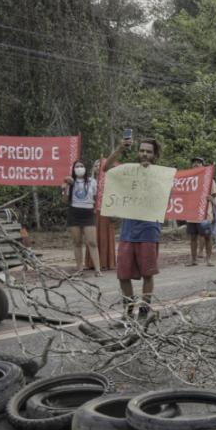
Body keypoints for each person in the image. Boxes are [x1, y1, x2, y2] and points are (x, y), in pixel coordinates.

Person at [103, 136, 163, 319]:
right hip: (128, 231)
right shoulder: (128, 171)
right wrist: (119, 150)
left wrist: (149, 174)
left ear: (155, 155)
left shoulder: (161, 174)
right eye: (142, 150)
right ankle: (129, 310)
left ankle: (144, 310)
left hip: (149, 230)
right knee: (123, 274)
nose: (144, 154)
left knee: (147, 273)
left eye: (148, 152)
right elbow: (106, 169)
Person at [62, 160, 102, 278]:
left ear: (85, 168)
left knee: (92, 242)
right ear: (74, 169)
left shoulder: (91, 181)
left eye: (82, 166)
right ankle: (80, 268)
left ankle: (98, 269)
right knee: (77, 242)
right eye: (77, 166)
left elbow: (95, 197)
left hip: (88, 212)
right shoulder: (71, 183)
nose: (79, 168)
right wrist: (65, 189)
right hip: (74, 212)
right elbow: (65, 201)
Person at [85, 159, 116, 271]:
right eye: (96, 166)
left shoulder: (110, 180)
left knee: (105, 234)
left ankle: (106, 262)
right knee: (93, 236)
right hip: (93, 211)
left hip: (106, 210)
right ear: (93, 168)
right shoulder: (89, 181)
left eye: (100, 165)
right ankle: (92, 263)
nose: (98, 167)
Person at [186, 157, 213, 267]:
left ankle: (209, 259)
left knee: (207, 237)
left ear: (203, 165)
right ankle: (193, 259)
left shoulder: (209, 179)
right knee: (193, 237)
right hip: (191, 214)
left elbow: (213, 197)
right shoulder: (188, 179)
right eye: (194, 163)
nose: (196, 164)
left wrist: (212, 214)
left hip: (204, 214)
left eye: (198, 163)